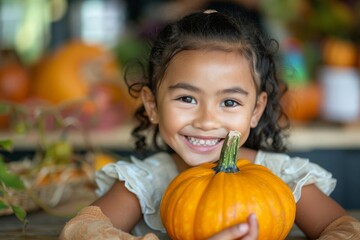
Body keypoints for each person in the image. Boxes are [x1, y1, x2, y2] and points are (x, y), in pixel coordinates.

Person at [60, 10, 360, 239]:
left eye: (229, 102)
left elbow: (345, 228)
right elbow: (82, 230)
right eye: (187, 98)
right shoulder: (143, 183)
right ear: (152, 105)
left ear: (256, 110)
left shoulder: (282, 177)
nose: (206, 121)